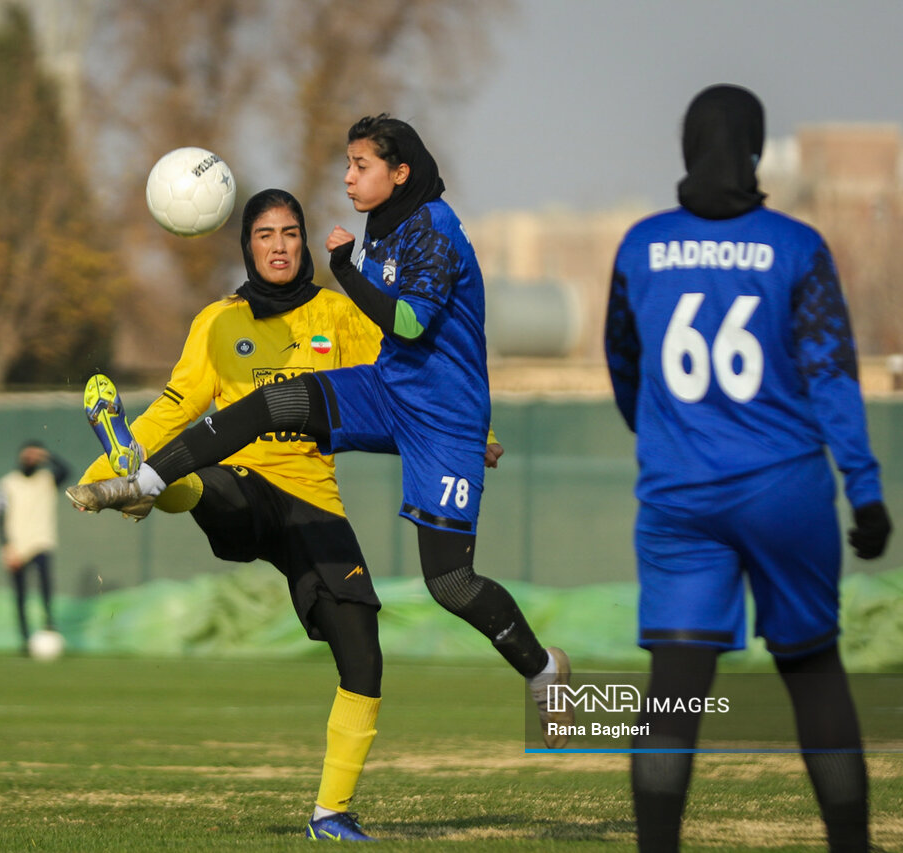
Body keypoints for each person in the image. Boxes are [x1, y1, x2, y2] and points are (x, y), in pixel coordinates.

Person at [68, 115, 572, 754]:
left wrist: (482, 427)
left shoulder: (428, 232)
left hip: (438, 421)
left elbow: (414, 327)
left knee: (448, 584)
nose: (348, 177)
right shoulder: (235, 311)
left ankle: (545, 672)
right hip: (356, 415)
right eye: (263, 235)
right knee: (275, 402)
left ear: (400, 172)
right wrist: (108, 472)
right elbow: (172, 406)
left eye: (360, 166)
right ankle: (140, 480)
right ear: (245, 246)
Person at [604, 84, 893, 852]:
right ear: (757, 149)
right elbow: (832, 375)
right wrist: (864, 490)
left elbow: (625, 369)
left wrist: (672, 437)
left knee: (673, 688)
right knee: (814, 671)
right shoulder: (797, 246)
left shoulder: (640, 245)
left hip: (679, 497)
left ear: (686, 145)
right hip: (785, 488)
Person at [0, 439, 70, 650]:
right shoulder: (7, 483)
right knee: (21, 594)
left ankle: (49, 626)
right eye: (28, 455)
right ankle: (25, 638)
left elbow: (66, 471)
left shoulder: (47, 479)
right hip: (17, 546)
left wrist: (47, 455)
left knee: (46, 586)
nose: (31, 459)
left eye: (35, 456)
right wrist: (6, 546)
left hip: (41, 541)